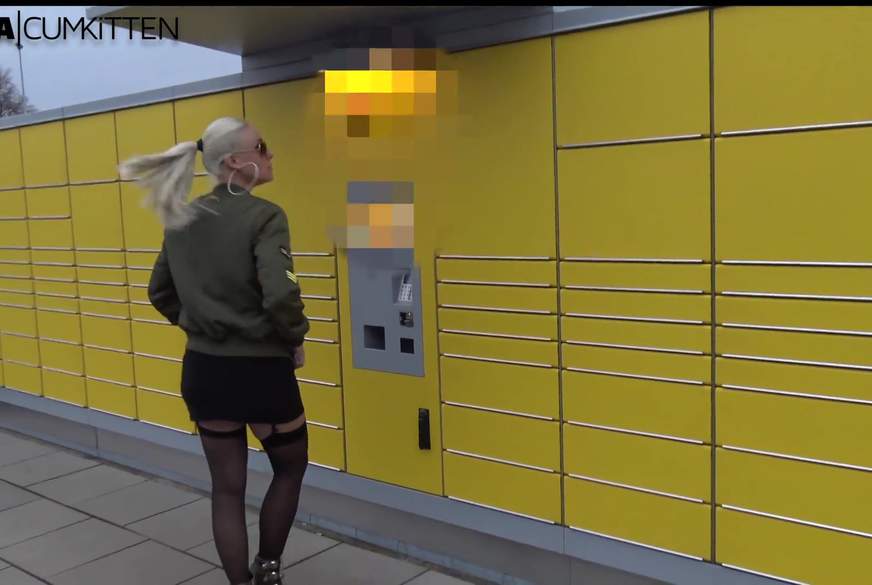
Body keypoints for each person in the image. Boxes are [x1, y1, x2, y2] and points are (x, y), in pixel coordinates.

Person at [119, 116, 310, 585]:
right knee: (290, 467)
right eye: (261, 147)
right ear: (236, 162)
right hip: (262, 373)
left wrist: (200, 325)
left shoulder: (182, 218)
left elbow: (159, 292)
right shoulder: (265, 216)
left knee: (226, 490)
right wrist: (294, 338)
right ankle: (268, 569)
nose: (270, 154)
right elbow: (281, 294)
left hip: (205, 371)